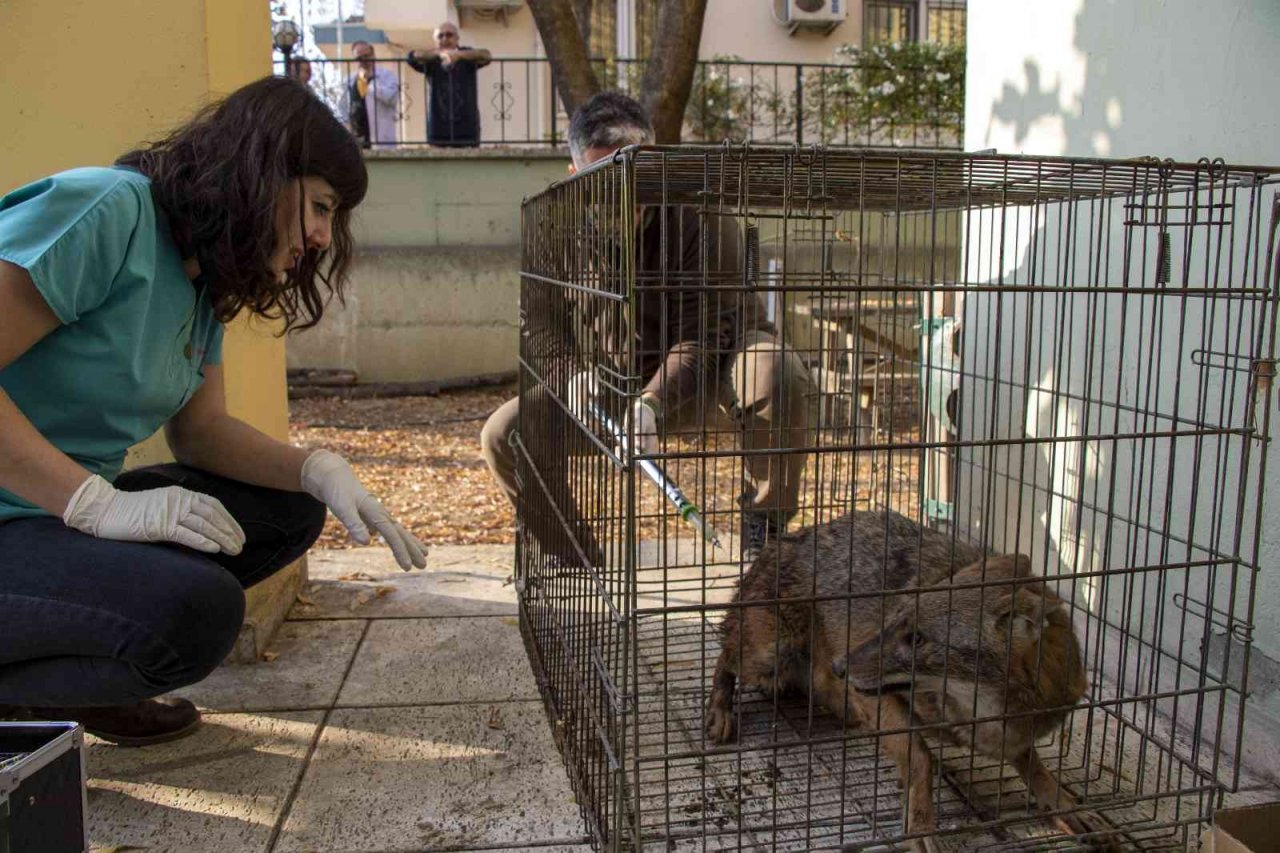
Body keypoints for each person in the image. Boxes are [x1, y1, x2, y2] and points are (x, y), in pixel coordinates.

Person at [0, 76, 427, 747]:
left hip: (53, 516)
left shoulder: (203, 278)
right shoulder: (107, 210)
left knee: (284, 510)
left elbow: (201, 433)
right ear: (263, 168)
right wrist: (96, 503)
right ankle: (35, 697)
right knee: (195, 613)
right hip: (29, 514)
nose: (321, 236)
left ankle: (85, 672)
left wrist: (317, 468)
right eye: (319, 206)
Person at [479, 91, 811, 569]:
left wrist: (653, 402)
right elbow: (541, 328)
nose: (622, 194)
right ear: (575, 176)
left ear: (654, 162)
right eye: (603, 180)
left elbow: (705, 333)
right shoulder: (552, 226)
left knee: (776, 370)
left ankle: (766, 538)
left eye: (634, 175)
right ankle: (573, 558)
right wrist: (572, 376)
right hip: (610, 380)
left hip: (713, 370)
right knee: (503, 433)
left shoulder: (704, 217)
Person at [402, 22, 491, 147]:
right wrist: (439, 54)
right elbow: (412, 57)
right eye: (440, 36)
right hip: (438, 126)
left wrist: (458, 55)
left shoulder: (466, 55)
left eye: (449, 35)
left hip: (467, 126)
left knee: (469, 165)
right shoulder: (432, 60)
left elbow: (486, 55)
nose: (444, 39)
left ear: (457, 38)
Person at [345, 41, 401, 148]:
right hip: (358, 141)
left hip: (381, 139)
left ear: (373, 55)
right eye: (359, 58)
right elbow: (345, 108)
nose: (364, 60)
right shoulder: (350, 80)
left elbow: (391, 98)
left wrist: (369, 84)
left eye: (367, 56)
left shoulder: (387, 76)